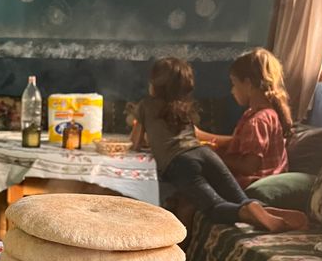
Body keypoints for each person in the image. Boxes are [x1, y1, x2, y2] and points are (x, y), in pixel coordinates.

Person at [131, 57, 307, 232]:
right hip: (205, 153)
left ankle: (244, 212)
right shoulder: (184, 108)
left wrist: (144, 139)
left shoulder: (145, 105)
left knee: (213, 207)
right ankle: (259, 208)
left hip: (181, 163)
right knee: (238, 196)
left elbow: (135, 141)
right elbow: (192, 135)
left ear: (154, 84)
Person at [195, 48, 290, 188]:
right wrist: (204, 138)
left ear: (248, 84)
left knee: (198, 179)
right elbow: (240, 142)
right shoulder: (265, 114)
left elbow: (249, 166)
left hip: (253, 182)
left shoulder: (257, 121)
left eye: (234, 84)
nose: (232, 91)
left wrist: (214, 155)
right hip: (264, 179)